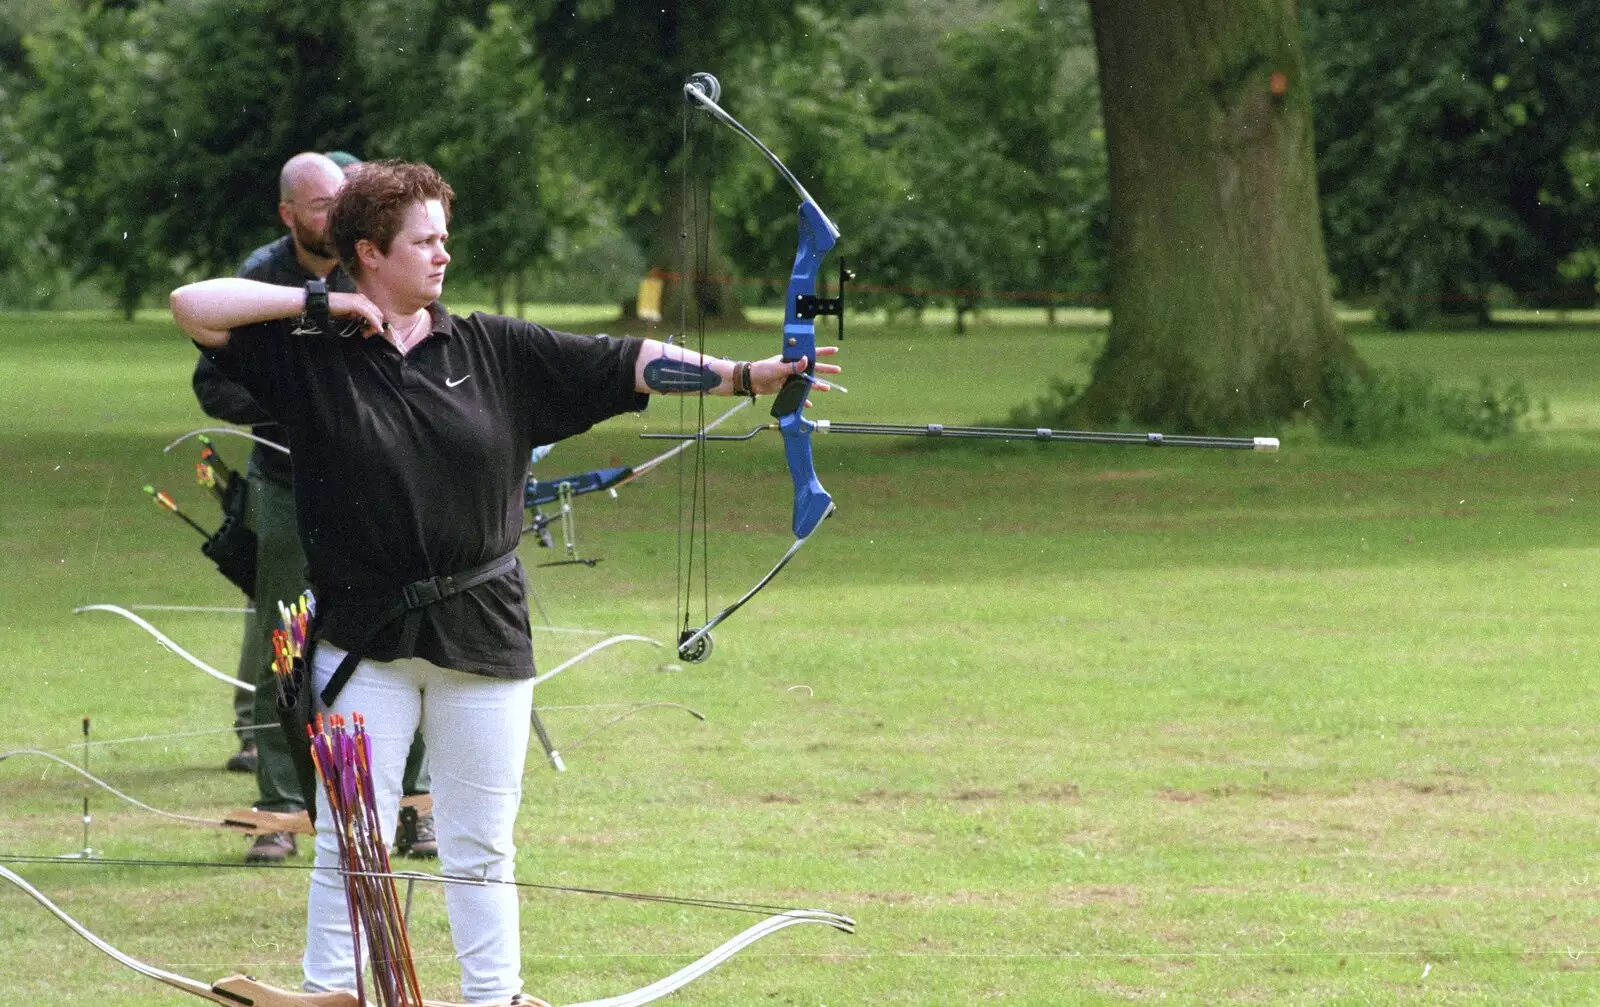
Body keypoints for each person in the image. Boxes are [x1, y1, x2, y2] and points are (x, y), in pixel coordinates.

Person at [170, 159, 838, 1004]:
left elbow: (626, 362)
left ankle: (495, 996)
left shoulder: (493, 348)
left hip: (482, 630)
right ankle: (331, 988)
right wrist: (328, 303)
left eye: (447, 238)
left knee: (480, 844)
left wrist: (747, 375)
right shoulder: (309, 353)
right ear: (370, 251)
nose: (443, 254)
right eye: (424, 240)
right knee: (353, 836)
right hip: (361, 639)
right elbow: (193, 305)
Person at [191, 151, 435, 863]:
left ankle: (416, 806)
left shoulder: (378, 257)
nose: (336, 215)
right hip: (287, 481)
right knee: (287, 645)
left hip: (378, 484)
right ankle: (280, 804)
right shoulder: (263, 274)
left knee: (405, 634)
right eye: (322, 205)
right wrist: (301, 406)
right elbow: (215, 385)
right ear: (290, 215)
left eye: (346, 200)